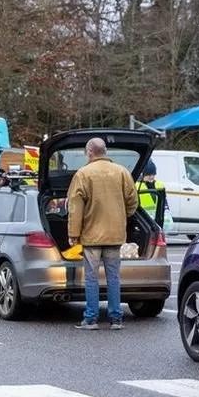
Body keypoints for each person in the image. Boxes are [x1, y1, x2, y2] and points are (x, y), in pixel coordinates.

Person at [67, 137, 138, 330]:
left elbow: (75, 206)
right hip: (115, 234)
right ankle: (116, 319)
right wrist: (122, 216)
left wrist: (74, 233)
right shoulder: (122, 172)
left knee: (91, 277)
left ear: (90, 152)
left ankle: (91, 319)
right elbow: (133, 201)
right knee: (113, 277)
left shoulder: (83, 174)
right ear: (105, 151)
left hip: (91, 236)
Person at [137, 160, 166, 224]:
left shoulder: (160, 185)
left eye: (153, 174)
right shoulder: (136, 186)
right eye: (149, 174)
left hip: (158, 221)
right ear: (143, 174)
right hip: (143, 222)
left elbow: (165, 205)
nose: (152, 176)